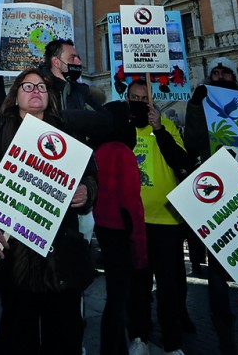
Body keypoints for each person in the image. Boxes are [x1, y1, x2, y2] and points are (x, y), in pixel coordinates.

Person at [0, 68, 97, 355]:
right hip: (17, 260)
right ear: (15, 97)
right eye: (27, 86)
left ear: (49, 97)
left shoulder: (67, 134)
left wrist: (87, 191)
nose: (35, 91)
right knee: (18, 337)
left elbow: (90, 175)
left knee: (64, 338)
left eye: (41, 86)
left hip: (61, 259)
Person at [125, 78, 193, 355]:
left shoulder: (168, 127)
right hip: (133, 220)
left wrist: (159, 129)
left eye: (145, 99)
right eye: (135, 99)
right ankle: (139, 335)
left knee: (169, 287)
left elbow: (181, 162)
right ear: (127, 99)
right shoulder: (122, 128)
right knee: (138, 285)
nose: (140, 103)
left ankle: (172, 342)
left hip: (166, 220)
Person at [182, 57, 238, 355]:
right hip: (218, 188)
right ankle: (225, 334)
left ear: (234, 77)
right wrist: (195, 107)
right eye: (215, 73)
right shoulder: (202, 105)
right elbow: (192, 141)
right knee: (218, 267)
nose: (220, 77)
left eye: (225, 73)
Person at [93, 99, 147, 355]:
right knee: (119, 299)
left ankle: (112, 347)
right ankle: (113, 349)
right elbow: (131, 203)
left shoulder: (100, 149)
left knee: (113, 297)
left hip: (104, 227)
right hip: (122, 230)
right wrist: (140, 252)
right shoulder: (122, 151)